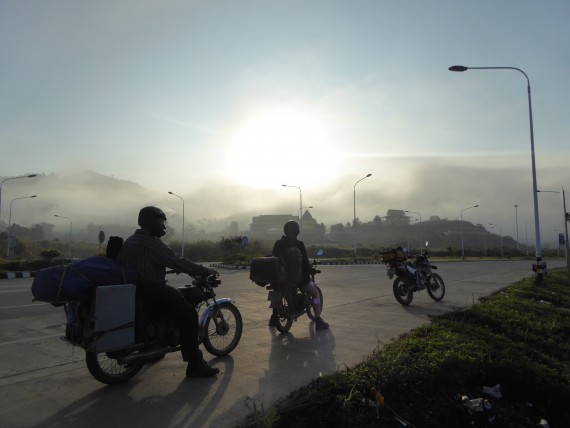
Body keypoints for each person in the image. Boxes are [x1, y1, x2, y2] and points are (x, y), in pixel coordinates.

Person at [116, 206, 220, 377]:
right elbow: (178, 261)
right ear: (151, 222)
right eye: (160, 221)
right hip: (153, 291)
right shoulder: (152, 243)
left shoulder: (131, 241)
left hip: (134, 292)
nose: (163, 225)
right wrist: (203, 270)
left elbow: (148, 264)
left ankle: (153, 347)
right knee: (189, 315)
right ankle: (195, 363)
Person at [270, 220, 329, 330]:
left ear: (285, 230)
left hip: (280, 278)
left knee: (276, 291)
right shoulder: (299, 244)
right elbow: (305, 263)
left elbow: (274, 259)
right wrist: (309, 269)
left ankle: (274, 317)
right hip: (297, 279)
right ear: (297, 231)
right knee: (315, 293)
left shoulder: (278, 243)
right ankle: (318, 320)